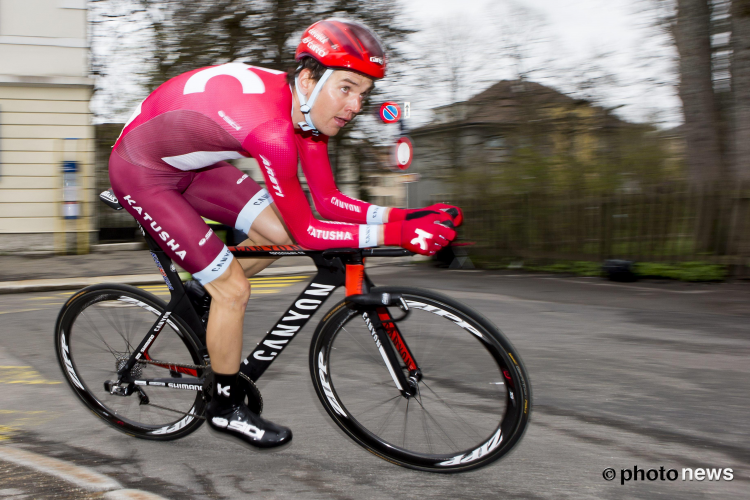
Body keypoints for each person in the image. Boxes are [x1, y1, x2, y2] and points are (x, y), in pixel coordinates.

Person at [108, 18, 462, 450]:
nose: (353, 105)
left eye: (363, 94)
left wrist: (409, 216)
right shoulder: (272, 132)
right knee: (233, 289)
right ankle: (223, 406)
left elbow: (330, 202)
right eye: (346, 88)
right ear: (309, 77)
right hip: (141, 173)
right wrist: (402, 236)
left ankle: (200, 293)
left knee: (280, 235)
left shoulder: (307, 113)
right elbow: (311, 229)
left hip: (196, 167)